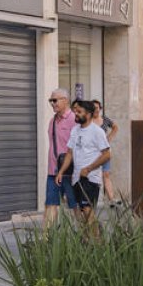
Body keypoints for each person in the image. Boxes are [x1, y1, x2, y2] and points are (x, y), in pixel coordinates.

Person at [55, 99, 111, 225]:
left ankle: (96, 242)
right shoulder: (75, 130)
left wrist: (89, 169)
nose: (76, 114)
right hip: (76, 178)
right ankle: (89, 241)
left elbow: (107, 154)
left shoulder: (97, 132)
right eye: (75, 111)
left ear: (89, 114)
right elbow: (69, 153)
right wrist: (61, 172)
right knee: (82, 214)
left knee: (87, 211)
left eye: (79, 112)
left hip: (90, 179)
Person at [43, 89, 77, 226]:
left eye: (55, 100)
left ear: (66, 100)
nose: (52, 103)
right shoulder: (52, 121)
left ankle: (86, 237)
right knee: (50, 205)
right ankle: (46, 241)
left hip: (70, 172)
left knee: (75, 206)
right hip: (53, 171)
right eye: (51, 100)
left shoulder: (74, 120)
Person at [90, 99, 119, 204]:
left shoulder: (105, 119)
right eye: (93, 108)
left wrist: (109, 138)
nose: (95, 110)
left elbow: (115, 127)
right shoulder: (88, 120)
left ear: (100, 109)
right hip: (92, 153)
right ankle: (93, 199)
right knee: (93, 175)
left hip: (105, 151)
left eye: (97, 108)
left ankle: (111, 199)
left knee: (106, 174)